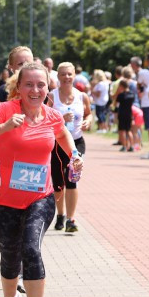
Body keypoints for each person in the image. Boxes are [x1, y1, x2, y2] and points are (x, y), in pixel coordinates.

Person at [0, 62, 84, 297]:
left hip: (40, 198)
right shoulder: (5, 110)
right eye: (29, 84)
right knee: (10, 259)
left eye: (40, 84)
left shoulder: (52, 116)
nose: (35, 90)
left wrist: (75, 154)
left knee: (32, 249)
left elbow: (63, 134)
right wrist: (4, 127)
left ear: (48, 88)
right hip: (4, 200)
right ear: (18, 87)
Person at [49, 62, 92, 233]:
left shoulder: (82, 96)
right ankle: (60, 215)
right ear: (58, 76)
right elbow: (43, 118)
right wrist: (60, 117)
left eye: (69, 74)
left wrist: (88, 121)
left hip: (77, 142)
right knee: (58, 183)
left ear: (74, 75)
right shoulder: (52, 97)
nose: (66, 77)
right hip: (57, 145)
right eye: (63, 74)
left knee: (72, 180)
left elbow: (89, 113)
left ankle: (71, 219)